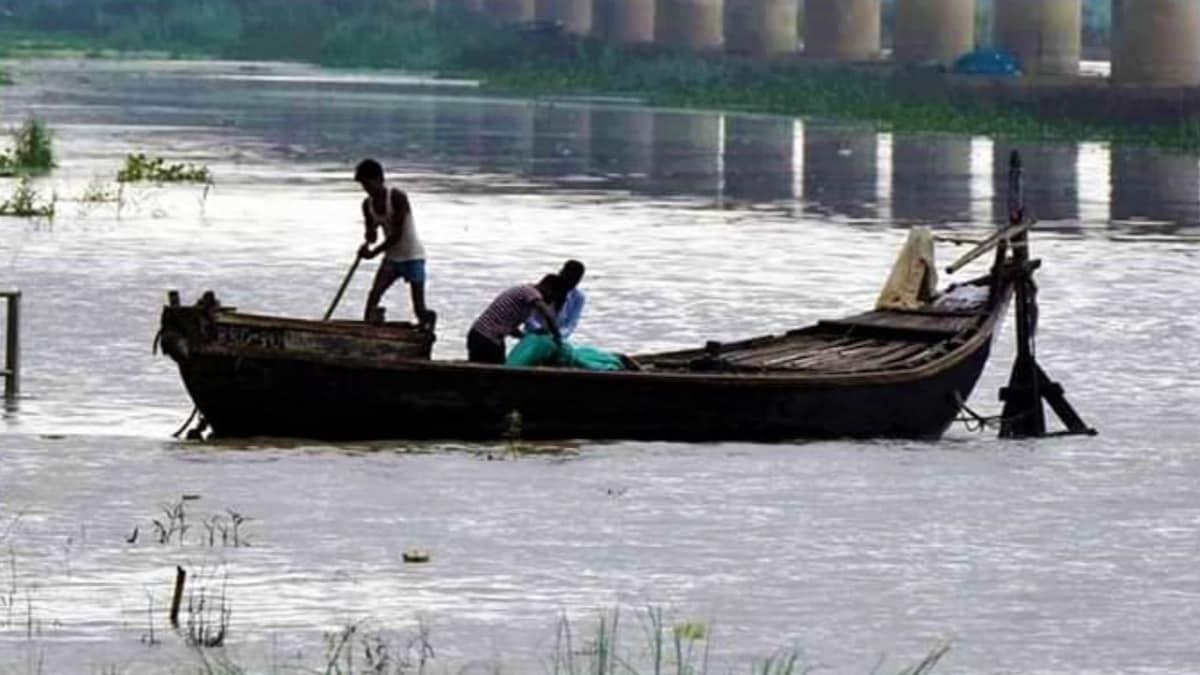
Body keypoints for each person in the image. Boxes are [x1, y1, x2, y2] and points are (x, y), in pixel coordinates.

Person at [354, 159, 435, 330]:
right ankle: (368, 331)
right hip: (392, 258)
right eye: (363, 185)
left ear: (379, 179)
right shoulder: (367, 205)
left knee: (419, 308)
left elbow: (397, 235)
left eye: (367, 183)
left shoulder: (397, 197)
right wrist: (368, 240)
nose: (366, 189)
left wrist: (372, 253)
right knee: (374, 295)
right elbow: (372, 235)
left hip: (413, 257)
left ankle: (428, 321)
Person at [467, 275, 563, 364]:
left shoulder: (525, 300)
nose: (551, 300)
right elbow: (546, 312)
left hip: (485, 337)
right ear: (547, 286)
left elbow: (509, 327)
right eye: (553, 295)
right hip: (485, 337)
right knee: (494, 373)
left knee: (494, 371)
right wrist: (557, 335)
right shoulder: (530, 291)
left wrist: (529, 336)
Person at [525, 259, 585, 339]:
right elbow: (527, 317)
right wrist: (539, 330)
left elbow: (571, 324)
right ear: (561, 273)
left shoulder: (578, 297)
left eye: (577, 280)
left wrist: (558, 336)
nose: (572, 283)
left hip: (557, 338)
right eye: (569, 278)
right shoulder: (543, 289)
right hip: (533, 334)